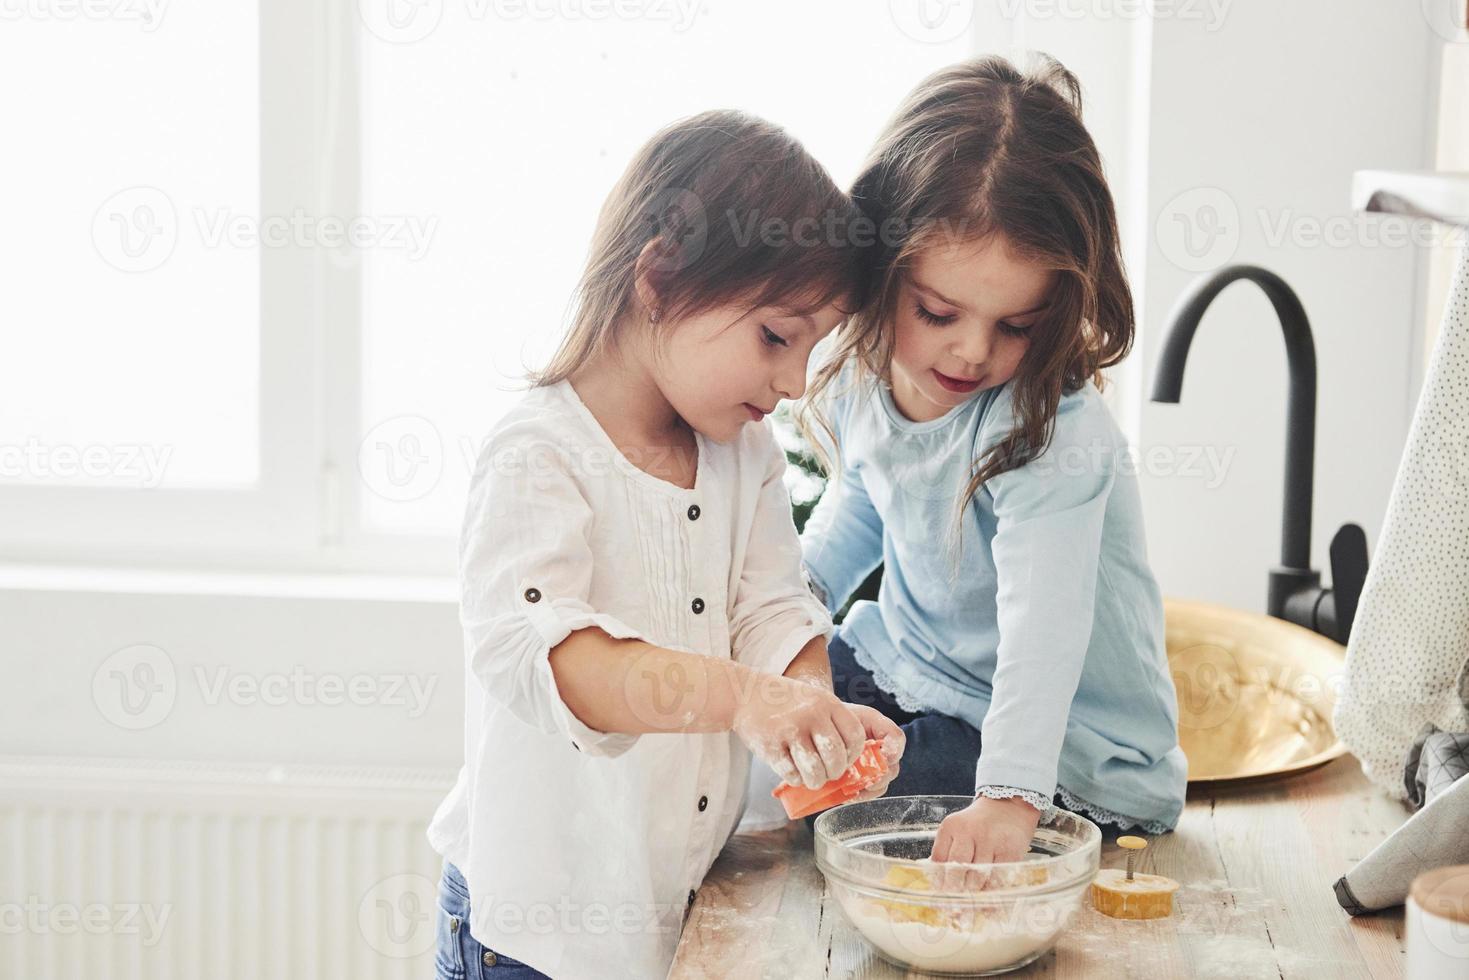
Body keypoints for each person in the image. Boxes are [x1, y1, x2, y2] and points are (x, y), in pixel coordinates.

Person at [427, 109, 905, 980]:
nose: (795, 382)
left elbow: (770, 605)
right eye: (775, 335)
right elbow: (552, 662)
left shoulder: (744, 454)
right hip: (535, 941)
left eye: (812, 348)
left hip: (675, 913)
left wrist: (813, 718)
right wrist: (743, 701)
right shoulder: (538, 456)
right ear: (657, 279)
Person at [796, 55, 1188, 877]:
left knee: (845, 801)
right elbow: (864, 508)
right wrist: (784, 614)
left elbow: (1042, 631)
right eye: (938, 313)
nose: (973, 350)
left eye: (1017, 326)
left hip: (1065, 753)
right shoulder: (869, 374)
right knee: (769, 726)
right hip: (916, 672)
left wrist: (1009, 796)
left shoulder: (1051, 431)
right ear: (881, 269)